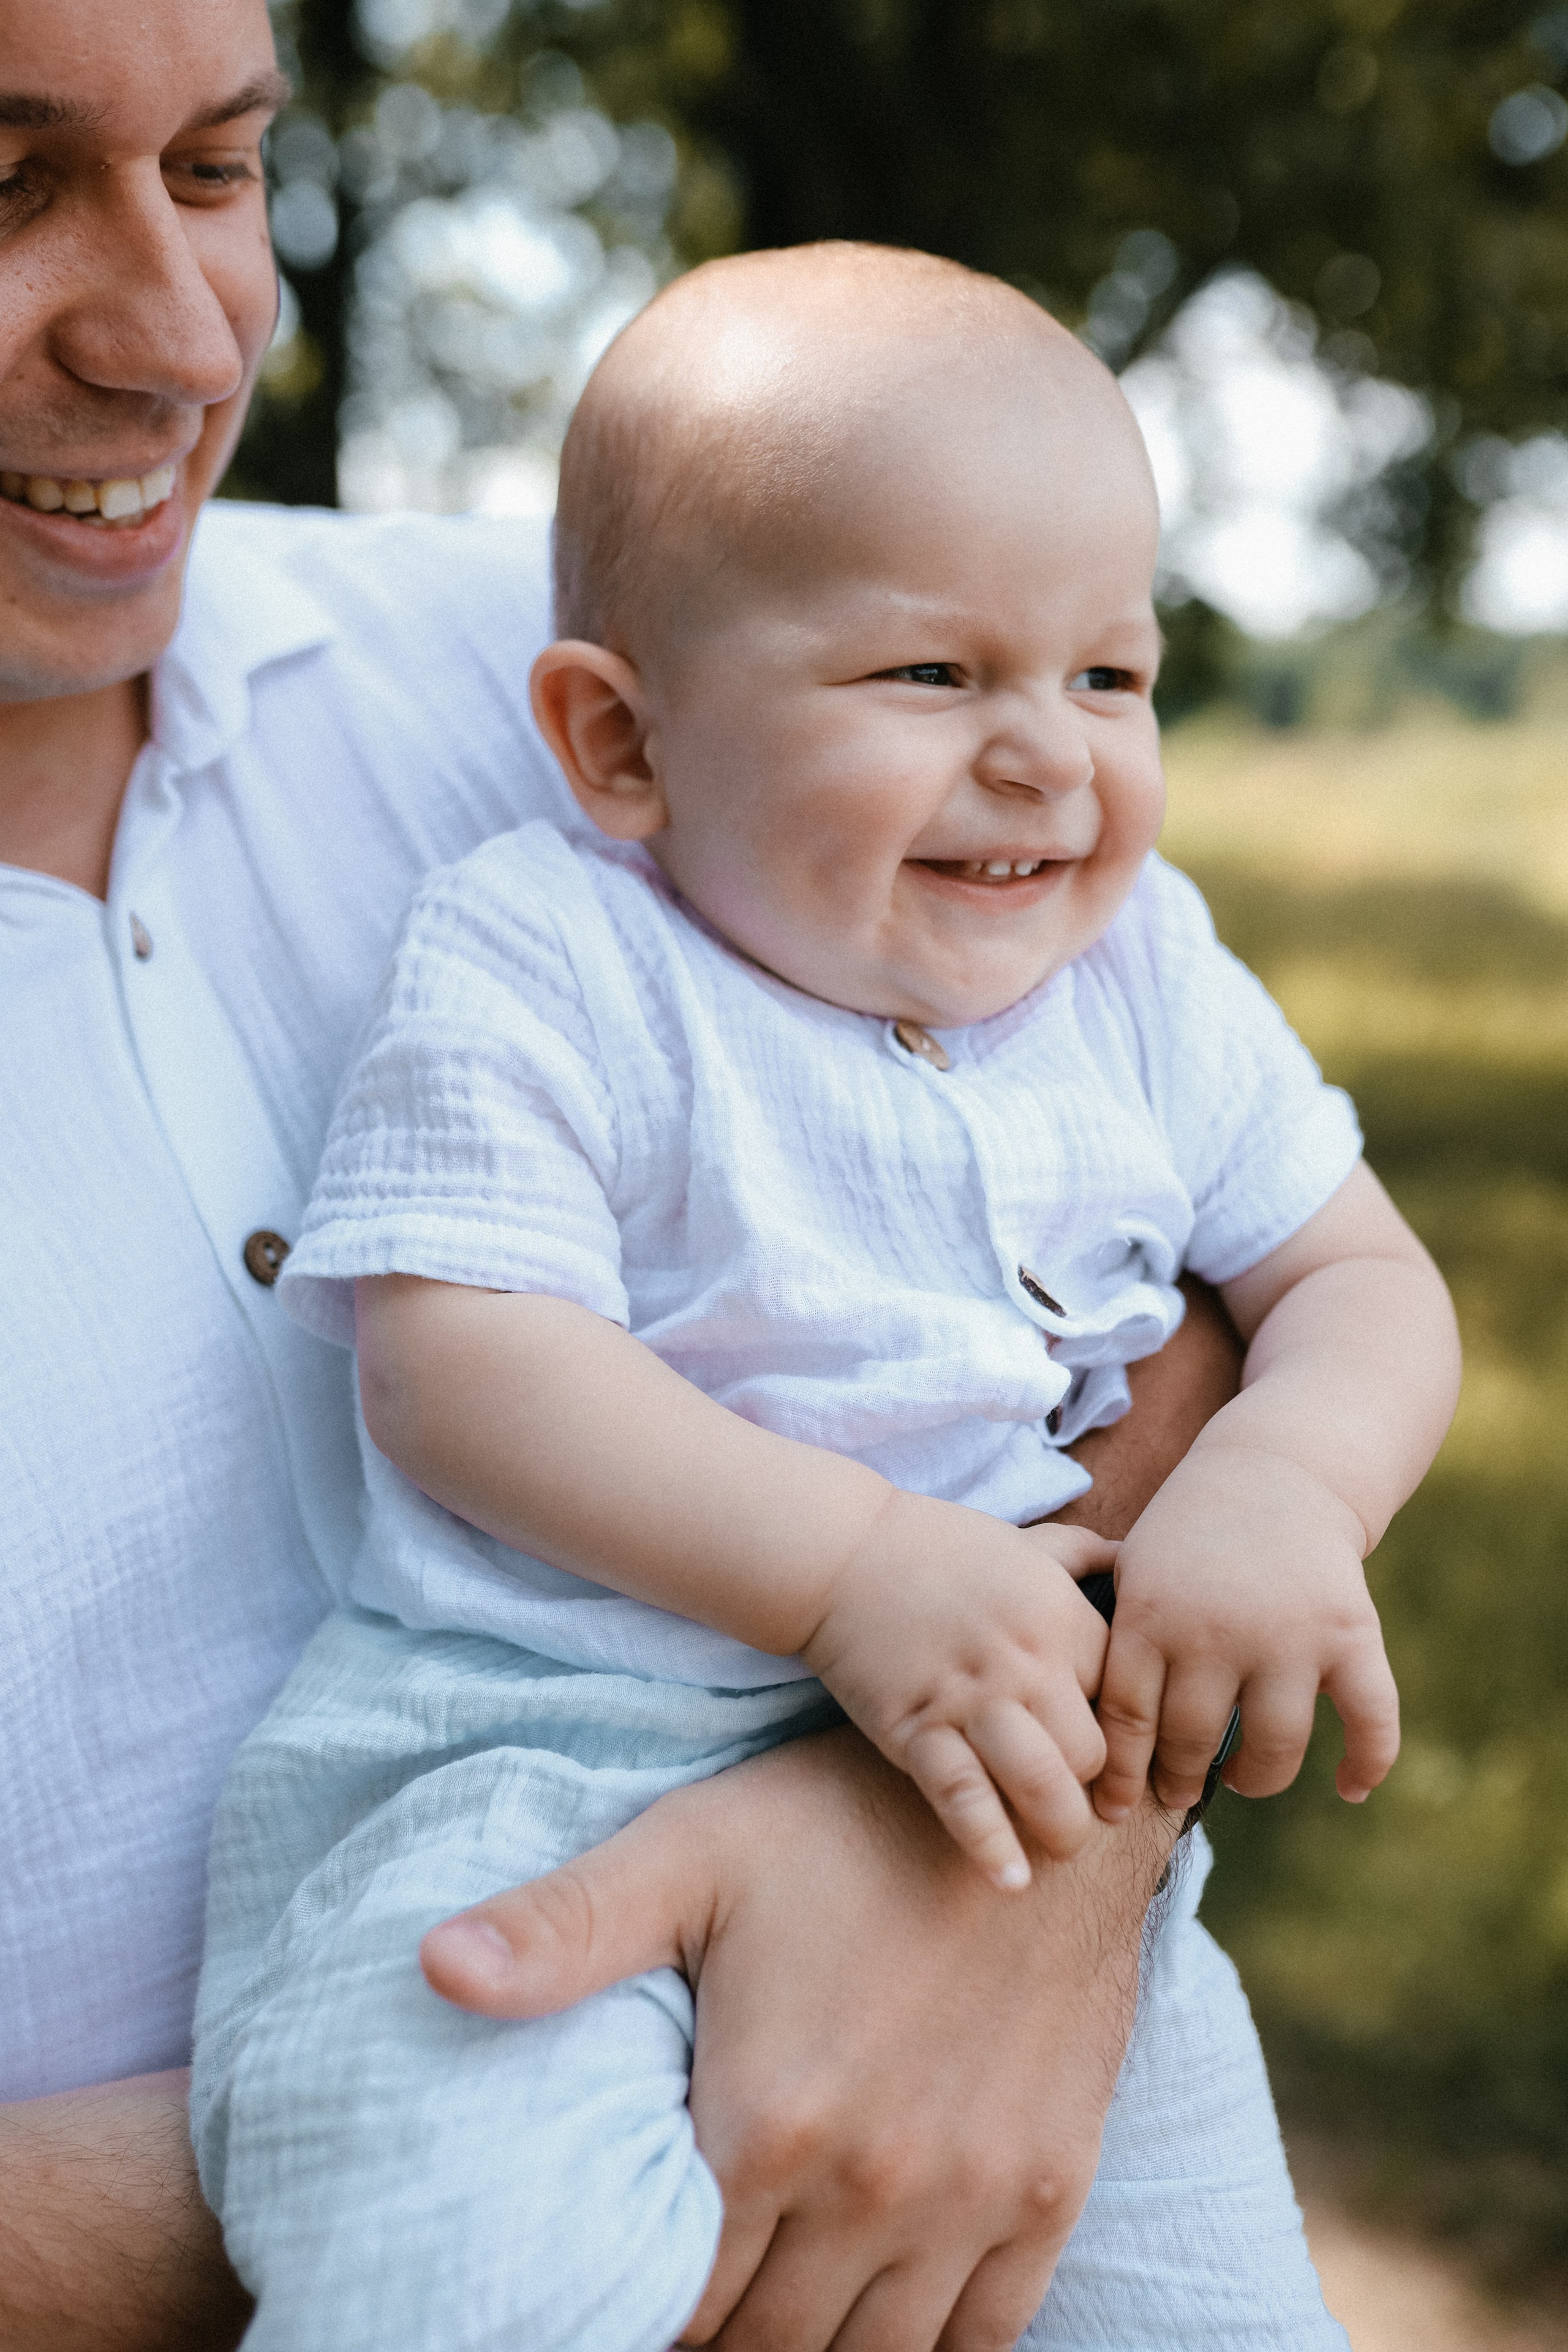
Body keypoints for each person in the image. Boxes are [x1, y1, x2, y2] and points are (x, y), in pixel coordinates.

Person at [0, 5, 1275, 2350]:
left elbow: (1151, 1249)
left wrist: (997, 1857)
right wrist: (535, 2092)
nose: (179, 342)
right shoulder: (586, 793)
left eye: (213, 168)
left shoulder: (538, 649)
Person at [189, 246, 1460, 2351]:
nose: (1050, 756)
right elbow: (461, 1367)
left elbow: (1360, 1273)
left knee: (1203, 2311)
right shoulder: (550, 956)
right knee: (463, 2268)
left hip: (1015, 1821)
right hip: (530, 1769)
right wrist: (853, 1564)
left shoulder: (1139, 981)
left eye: (1110, 677)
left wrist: (1280, 1493)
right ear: (620, 740)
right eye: (931, 680)